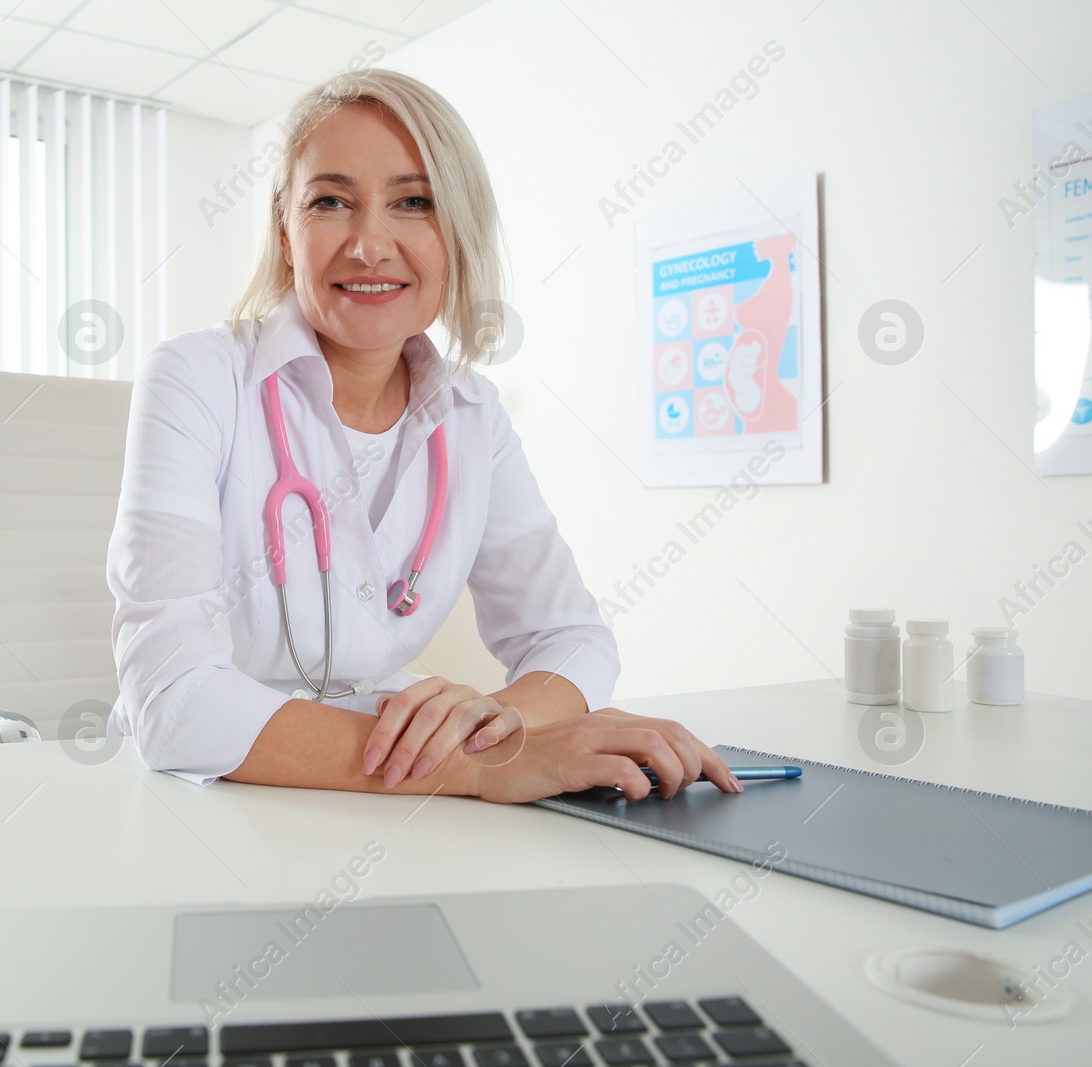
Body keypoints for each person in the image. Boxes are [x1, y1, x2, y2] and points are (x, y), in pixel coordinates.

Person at [106, 68, 738, 804]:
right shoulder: (195, 378)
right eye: (331, 202)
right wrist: (474, 765)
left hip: (387, 801)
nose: (370, 244)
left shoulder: (473, 416)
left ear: (457, 231)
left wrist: (502, 723)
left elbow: (573, 638)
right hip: (200, 801)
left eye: (413, 202)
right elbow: (175, 701)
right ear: (286, 230)